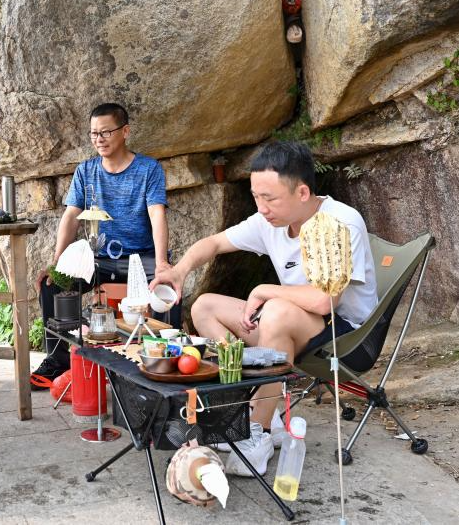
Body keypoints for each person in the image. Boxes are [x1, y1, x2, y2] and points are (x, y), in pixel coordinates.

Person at [152, 141, 377, 477]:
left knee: (275, 311)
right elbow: (214, 243)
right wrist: (179, 271)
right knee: (205, 307)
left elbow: (325, 301)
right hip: (292, 325)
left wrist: (263, 290)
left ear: (302, 192)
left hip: (345, 335)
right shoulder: (269, 222)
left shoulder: (340, 222)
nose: (261, 207)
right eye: (256, 197)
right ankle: (252, 406)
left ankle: (257, 432)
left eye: (269, 198)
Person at [29, 103, 171, 389]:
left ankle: (162, 360)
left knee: (168, 290)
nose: (99, 139)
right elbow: (71, 216)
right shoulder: (86, 171)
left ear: (125, 131)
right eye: (94, 133)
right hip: (98, 259)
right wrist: (57, 262)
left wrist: (161, 264)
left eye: (106, 132)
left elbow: (157, 214)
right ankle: (58, 360)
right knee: (52, 284)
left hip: (139, 259)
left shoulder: (148, 169)